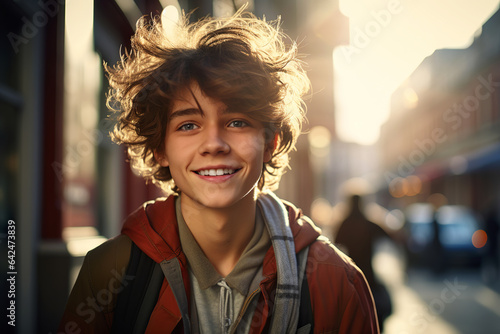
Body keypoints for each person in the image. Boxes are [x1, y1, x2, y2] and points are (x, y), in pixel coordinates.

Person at [58, 7, 379, 334]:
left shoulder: (338, 282)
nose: (213, 143)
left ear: (271, 141)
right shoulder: (109, 272)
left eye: (237, 122)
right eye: (188, 125)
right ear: (160, 149)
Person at [335, 194, 392, 332]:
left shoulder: (345, 223)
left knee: (353, 312)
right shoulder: (369, 223)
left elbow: (335, 243)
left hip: (351, 275)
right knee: (374, 310)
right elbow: (388, 235)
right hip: (368, 276)